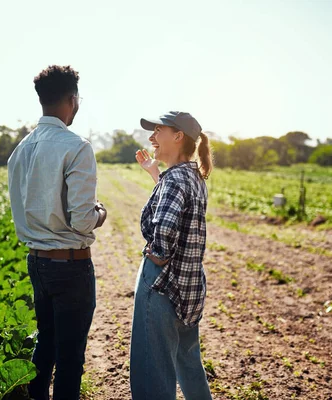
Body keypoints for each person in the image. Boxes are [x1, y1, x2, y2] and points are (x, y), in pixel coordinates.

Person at [7, 65, 107, 400]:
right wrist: (101, 213)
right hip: (70, 265)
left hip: (36, 262)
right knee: (70, 358)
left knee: (45, 343)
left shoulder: (20, 149)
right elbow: (82, 220)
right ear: (72, 99)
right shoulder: (76, 146)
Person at [130, 111, 213, 400]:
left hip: (163, 284)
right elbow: (178, 210)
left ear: (178, 136)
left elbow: (165, 229)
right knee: (189, 364)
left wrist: (156, 255)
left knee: (152, 370)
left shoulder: (175, 180)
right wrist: (156, 174)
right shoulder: (193, 176)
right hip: (189, 285)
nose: (152, 137)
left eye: (158, 131)